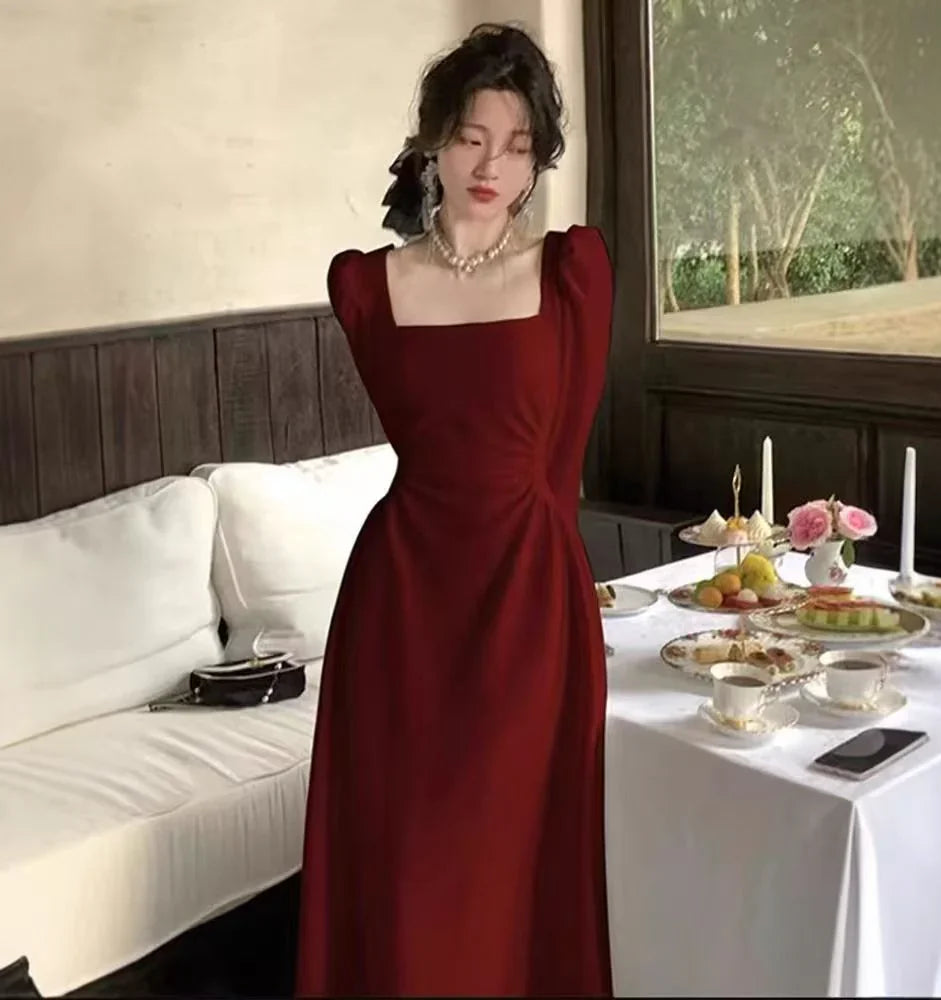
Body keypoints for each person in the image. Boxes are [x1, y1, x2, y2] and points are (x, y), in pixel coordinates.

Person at [296, 22, 614, 998]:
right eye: (474, 136)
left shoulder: (573, 273)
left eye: (519, 145)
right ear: (434, 138)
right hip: (399, 613)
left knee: (502, 867)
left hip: (525, 607)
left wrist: (565, 627)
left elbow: (559, 475)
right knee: (403, 868)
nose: (493, 165)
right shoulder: (363, 285)